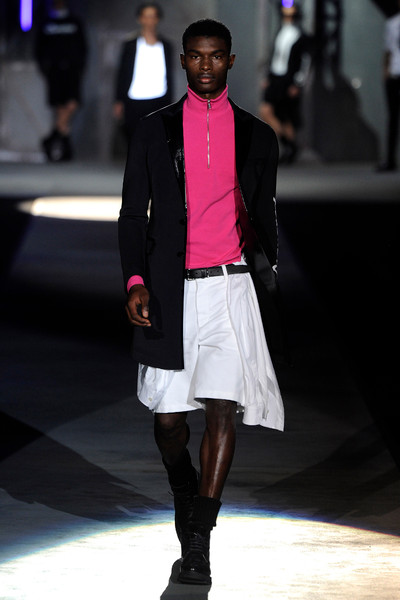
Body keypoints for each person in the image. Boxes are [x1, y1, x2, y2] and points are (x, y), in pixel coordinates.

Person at [118, 19, 285, 586]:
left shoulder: (258, 136)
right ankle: (183, 488)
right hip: (170, 288)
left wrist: (266, 277)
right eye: (195, 56)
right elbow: (131, 214)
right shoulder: (153, 131)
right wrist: (135, 280)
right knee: (169, 421)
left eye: (215, 57)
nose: (206, 66)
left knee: (221, 408)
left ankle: (198, 543)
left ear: (230, 61)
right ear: (183, 60)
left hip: (230, 287)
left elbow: (264, 215)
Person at [113, 2, 174, 142]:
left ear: (158, 19)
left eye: (153, 16)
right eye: (146, 16)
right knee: (135, 140)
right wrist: (118, 100)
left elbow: (169, 76)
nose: (149, 20)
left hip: (159, 100)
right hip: (134, 100)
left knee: (157, 140)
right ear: (140, 19)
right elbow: (122, 73)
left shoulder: (166, 46)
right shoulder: (130, 45)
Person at [35, 0, 87, 161]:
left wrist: (79, 66)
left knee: (71, 104)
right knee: (59, 107)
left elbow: (83, 47)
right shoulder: (46, 22)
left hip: (72, 71)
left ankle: (50, 139)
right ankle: (65, 148)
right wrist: (45, 68)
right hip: (54, 72)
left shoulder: (74, 22)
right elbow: (39, 48)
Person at [259, 1, 309, 164]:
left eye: (291, 15)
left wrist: (298, 83)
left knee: (286, 115)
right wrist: (268, 77)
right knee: (266, 110)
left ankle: (290, 149)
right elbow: (275, 57)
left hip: (288, 80)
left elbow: (304, 63)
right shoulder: (280, 32)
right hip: (276, 77)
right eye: (285, 15)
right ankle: (289, 144)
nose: (288, 18)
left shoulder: (300, 36)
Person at [377, 0, 400, 172]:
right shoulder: (392, 23)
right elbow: (388, 50)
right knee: (393, 118)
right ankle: (390, 159)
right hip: (394, 75)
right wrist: (385, 73)